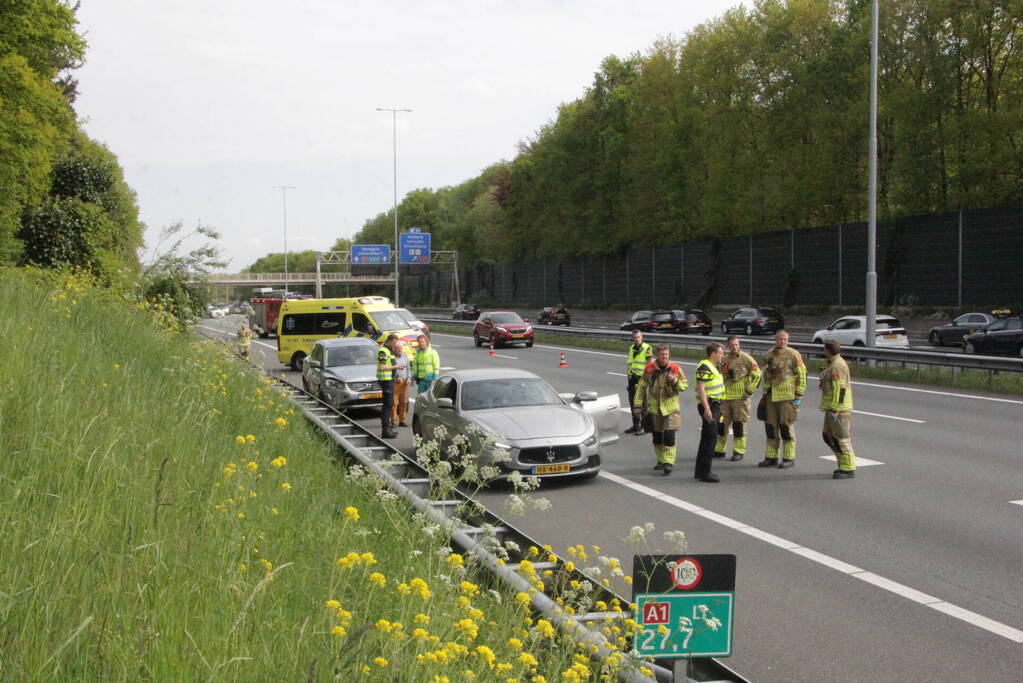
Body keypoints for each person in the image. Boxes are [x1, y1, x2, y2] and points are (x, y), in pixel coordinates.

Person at [633, 345, 688, 475]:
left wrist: (674, 380)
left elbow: (684, 386)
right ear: (657, 355)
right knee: (657, 436)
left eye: (667, 354)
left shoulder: (675, 368)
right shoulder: (649, 369)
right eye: (662, 354)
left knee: (669, 435)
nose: (665, 356)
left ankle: (668, 462)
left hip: (671, 409)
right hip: (654, 409)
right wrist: (637, 406)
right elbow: (641, 388)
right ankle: (660, 460)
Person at [759, 330, 806, 468]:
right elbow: (766, 376)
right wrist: (765, 393)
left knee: (786, 427)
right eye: (780, 339)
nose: (783, 342)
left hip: (787, 396)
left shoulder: (793, 354)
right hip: (771, 396)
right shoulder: (768, 355)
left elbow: (802, 375)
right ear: (775, 339)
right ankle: (771, 457)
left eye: (785, 339)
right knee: (771, 427)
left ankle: (788, 458)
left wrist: (798, 395)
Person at [715, 335, 763, 461]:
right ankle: (719, 449)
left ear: (739, 344)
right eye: (732, 345)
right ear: (728, 346)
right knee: (722, 424)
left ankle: (738, 451)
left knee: (739, 425)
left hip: (741, 398)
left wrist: (750, 390)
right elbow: (719, 377)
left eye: (736, 344)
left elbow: (757, 375)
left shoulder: (746, 358)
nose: (734, 347)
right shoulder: (724, 360)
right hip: (725, 397)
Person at [819, 340, 857, 479]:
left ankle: (848, 467)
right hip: (832, 407)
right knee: (828, 435)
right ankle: (842, 464)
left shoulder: (837, 365)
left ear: (827, 350)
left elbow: (840, 389)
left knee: (841, 438)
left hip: (839, 409)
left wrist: (836, 407)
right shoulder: (833, 364)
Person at [694, 342, 726, 483]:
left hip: (715, 405)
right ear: (713, 353)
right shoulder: (705, 367)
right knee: (710, 439)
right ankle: (705, 472)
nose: (722, 355)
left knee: (706, 437)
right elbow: (701, 389)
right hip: (709, 405)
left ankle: (700, 471)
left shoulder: (713, 366)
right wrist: (707, 409)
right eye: (720, 352)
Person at [624, 330, 655, 434]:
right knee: (633, 402)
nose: (637, 339)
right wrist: (629, 375)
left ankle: (644, 426)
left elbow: (650, 364)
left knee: (642, 403)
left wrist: (645, 378)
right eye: (635, 337)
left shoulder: (647, 348)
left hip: (641, 378)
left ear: (642, 337)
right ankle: (635, 425)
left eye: (638, 337)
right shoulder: (632, 347)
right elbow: (630, 363)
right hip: (632, 378)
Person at [376, 335, 402, 439]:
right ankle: (385, 431)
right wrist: (396, 367)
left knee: (389, 404)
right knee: (387, 405)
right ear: (390, 341)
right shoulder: (383, 351)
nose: (396, 345)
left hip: (390, 380)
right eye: (395, 343)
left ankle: (388, 429)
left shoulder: (389, 350)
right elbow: (382, 367)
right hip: (385, 381)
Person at [391, 339, 412, 427]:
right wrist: (396, 378)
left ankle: (402, 420)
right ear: (394, 349)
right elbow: (391, 370)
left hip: (404, 382)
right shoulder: (392, 358)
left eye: (401, 349)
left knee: (404, 402)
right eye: (398, 349)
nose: (400, 350)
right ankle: (393, 421)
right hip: (396, 383)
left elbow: (408, 368)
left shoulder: (405, 356)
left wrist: (409, 377)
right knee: (394, 403)